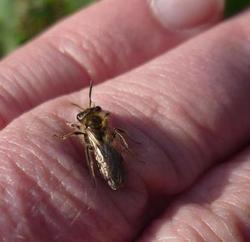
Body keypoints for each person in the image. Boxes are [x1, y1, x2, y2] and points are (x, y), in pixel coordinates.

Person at [0, 0, 249, 241]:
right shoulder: (101, 124)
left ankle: (110, 173)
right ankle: (107, 176)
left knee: (103, 146)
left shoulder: (92, 126)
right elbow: (106, 132)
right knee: (102, 146)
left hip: (109, 155)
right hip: (108, 156)